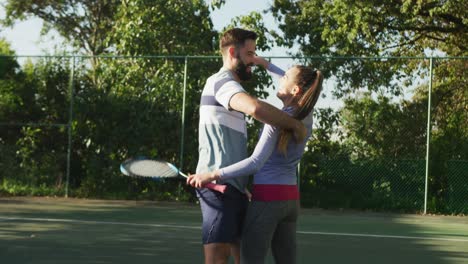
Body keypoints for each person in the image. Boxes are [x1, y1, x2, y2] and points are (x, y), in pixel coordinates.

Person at [188, 57, 324, 263]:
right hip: (291, 201)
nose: (280, 78)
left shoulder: (276, 120)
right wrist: (264, 63)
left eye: (285, 76)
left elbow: (255, 162)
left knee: (250, 260)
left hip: (269, 198)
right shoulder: (307, 115)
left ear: (295, 90)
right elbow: (301, 84)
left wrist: (213, 174)